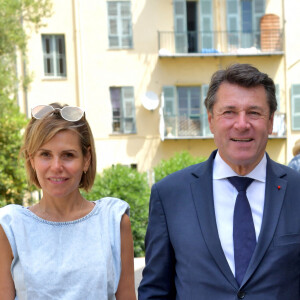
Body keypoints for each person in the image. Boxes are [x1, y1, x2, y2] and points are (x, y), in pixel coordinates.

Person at [138, 63, 300, 299]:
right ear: (211, 120)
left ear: (271, 122)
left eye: (254, 112)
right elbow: (155, 290)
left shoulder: (297, 190)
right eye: (229, 112)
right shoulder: (170, 195)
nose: (242, 124)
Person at [0, 103, 136, 300]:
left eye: (68, 155)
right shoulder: (10, 226)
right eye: (45, 154)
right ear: (31, 159)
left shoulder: (113, 221)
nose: (56, 166)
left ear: (86, 159)